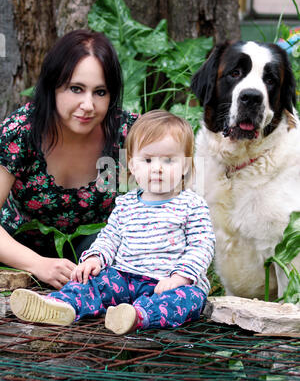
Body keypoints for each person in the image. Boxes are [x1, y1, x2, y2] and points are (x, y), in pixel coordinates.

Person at [10, 111, 215, 335]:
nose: (157, 168)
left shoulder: (192, 205)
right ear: (133, 166)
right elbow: (109, 237)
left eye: (168, 160)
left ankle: (138, 316)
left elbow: (201, 246)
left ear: (185, 166)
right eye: (147, 160)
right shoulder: (126, 204)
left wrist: (181, 276)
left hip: (166, 284)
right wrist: (95, 257)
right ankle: (62, 305)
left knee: (191, 299)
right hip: (124, 277)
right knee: (94, 282)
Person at [0, 29, 137, 289]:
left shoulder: (123, 134)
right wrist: (38, 264)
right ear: (53, 86)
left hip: (93, 259)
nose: (88, 105)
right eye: (76, 89)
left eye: (100, 92)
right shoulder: (22, 132)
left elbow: (176, 189)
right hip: (17, 249)